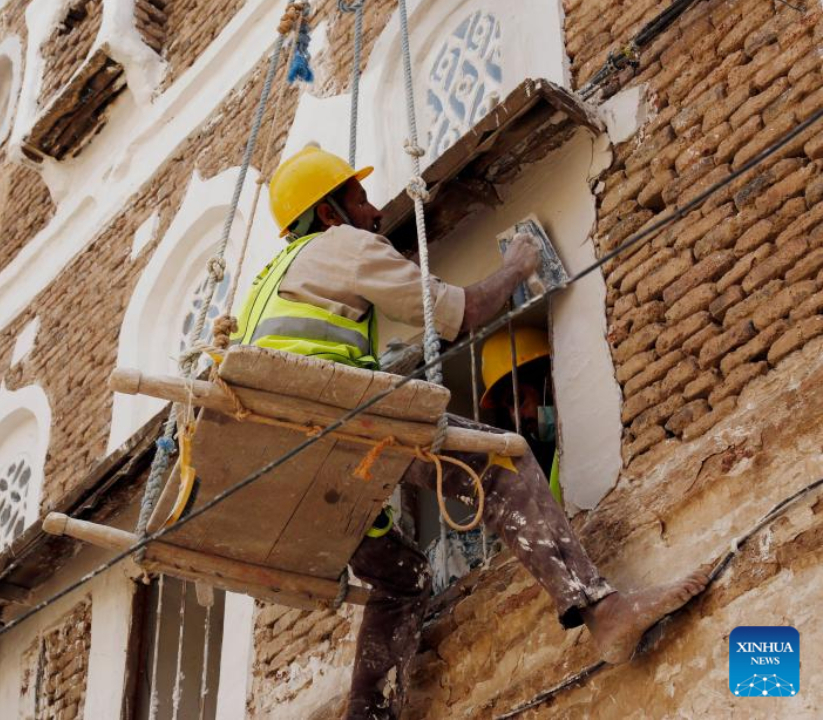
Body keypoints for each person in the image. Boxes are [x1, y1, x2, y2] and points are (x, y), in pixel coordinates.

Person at [231, 145, 708, 720]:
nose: (375, 211)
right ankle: (603, 611)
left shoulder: (261, 286)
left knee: (402, 579)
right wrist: (518, 266)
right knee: (503, 459)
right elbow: (458, 312)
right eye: (359, 199)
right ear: (329, 215)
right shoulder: (344, 246)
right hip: (338, 418)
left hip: (284, 459)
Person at [479, 326, 561, 502]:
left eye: (519, 400)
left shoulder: (584, 431)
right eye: (508, 408)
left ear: (546, 385)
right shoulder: (527, 463)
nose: (516, 417)